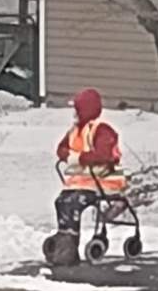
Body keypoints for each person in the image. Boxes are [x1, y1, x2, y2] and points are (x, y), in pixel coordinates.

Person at [44, 88, 127, 266]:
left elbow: (103, 155)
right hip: (83, 182)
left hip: (103, 182)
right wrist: (72, 157)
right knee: (61, 201)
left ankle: (69, 244)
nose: (75, 113)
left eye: (77, 109)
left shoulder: (102, 130)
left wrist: (77, 158)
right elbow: (61, 149)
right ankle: (64, 236)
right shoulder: (75, 131)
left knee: (74, 202)